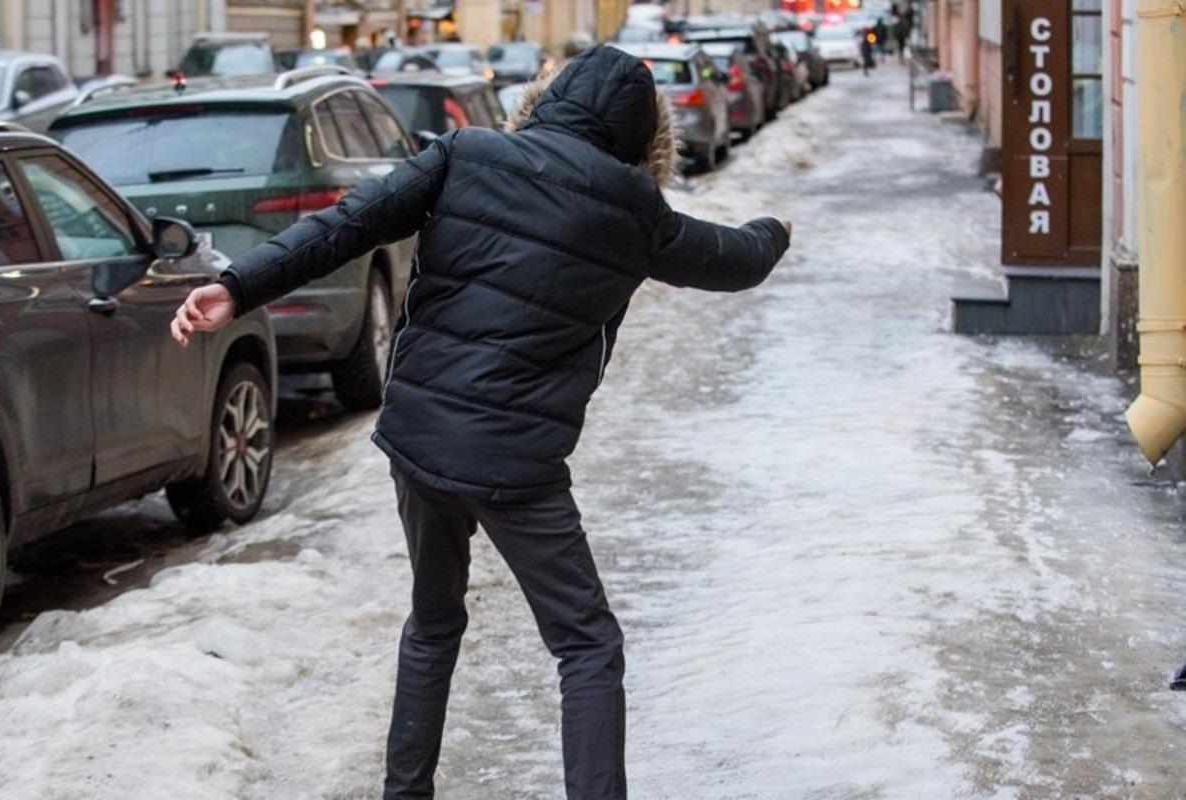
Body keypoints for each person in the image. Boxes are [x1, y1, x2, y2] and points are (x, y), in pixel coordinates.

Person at [170, 45, 790, 800]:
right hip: (517, 465)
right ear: (642, 137)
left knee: (432, 624)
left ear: (548, 99)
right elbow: (734, 259)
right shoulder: (636, 213)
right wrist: (776, 229)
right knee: (587, 645)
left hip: (420, 438)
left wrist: (236, 286)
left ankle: (407, 793)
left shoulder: (466, 154)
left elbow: (347, 225)